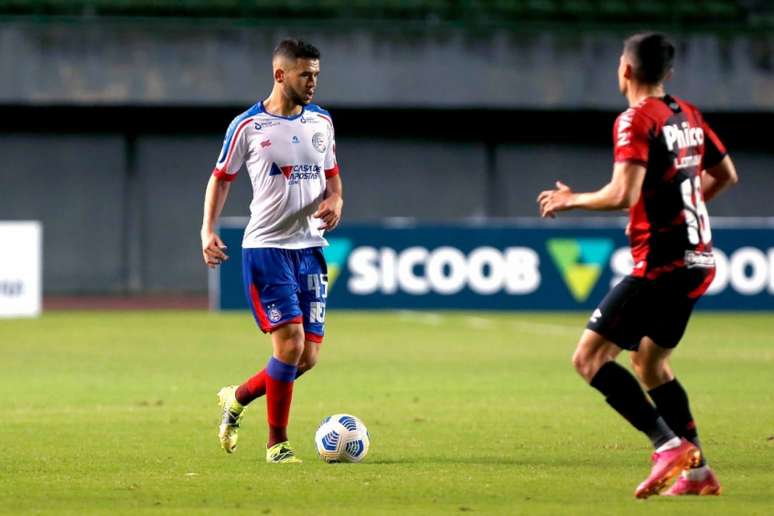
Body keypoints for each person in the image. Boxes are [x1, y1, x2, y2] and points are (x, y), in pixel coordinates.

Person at [537, 32, 738, 498]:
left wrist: (572, 200)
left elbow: (622, 194)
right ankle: (697, 471)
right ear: (668, 73)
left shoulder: (634, 119)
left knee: (588, 358)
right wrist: (685, 213)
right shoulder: (687, 114)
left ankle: (667, 445)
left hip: (662, 265)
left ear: (624, 70)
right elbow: (726, 174)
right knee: (650, 364)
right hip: (698, 259)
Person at [200, 38, 343, 464]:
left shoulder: (322, 122)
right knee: (290, 344)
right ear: (281, 75)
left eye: (316, 74)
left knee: (307, 357)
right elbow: (221, 178)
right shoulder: (248, 126)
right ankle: (277, 444)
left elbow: (333, 178)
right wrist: (207, 229)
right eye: (305, 74)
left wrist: (335, 201)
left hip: (310, 249)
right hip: (266, 248)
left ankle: (237, 399)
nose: (313, 82)